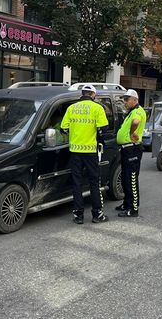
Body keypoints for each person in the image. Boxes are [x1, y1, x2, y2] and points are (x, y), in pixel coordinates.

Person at [61, 84, 109, 224]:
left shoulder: (71, 108)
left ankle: (78, 215)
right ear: (93, 95)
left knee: (77, 183)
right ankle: (97, 215)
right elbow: (103, 128)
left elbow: (64, 129)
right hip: (90, 151)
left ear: (82, 94)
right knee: (93, 182)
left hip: (75, 151)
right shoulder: (97, 108)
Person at [115, 89, 147, 217]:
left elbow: (136, 122)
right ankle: (126, 203)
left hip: (132, 149)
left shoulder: (138, 111)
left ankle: (133, 209)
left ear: (135, 100)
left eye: (127, 99)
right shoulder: (132, 111)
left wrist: (132, 132)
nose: (125, 102)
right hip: (126, 149)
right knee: (125, 178)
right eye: (124, 99)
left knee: (131, 179)